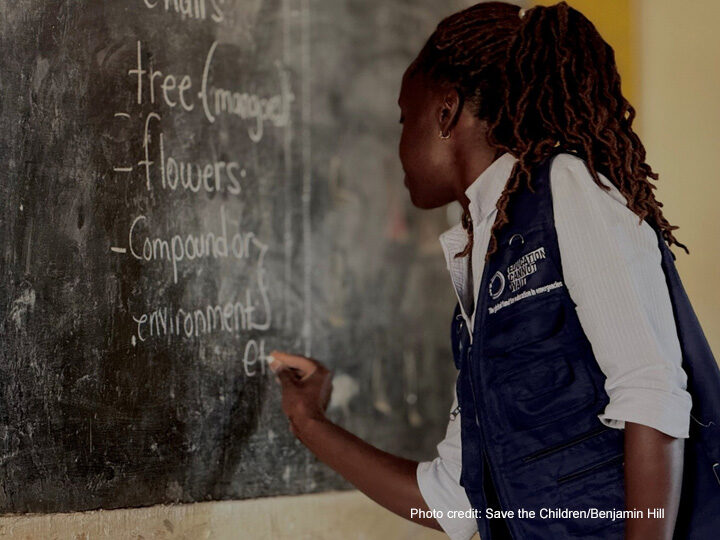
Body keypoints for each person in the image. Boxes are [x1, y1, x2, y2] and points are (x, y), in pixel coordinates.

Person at [268, 2, 699, 538]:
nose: (397, 147)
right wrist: (308, 423)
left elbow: (651, 392)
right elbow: (453, 504)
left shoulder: (564, 186)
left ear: (446, 113)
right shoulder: (485, 255)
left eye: (405, 118)